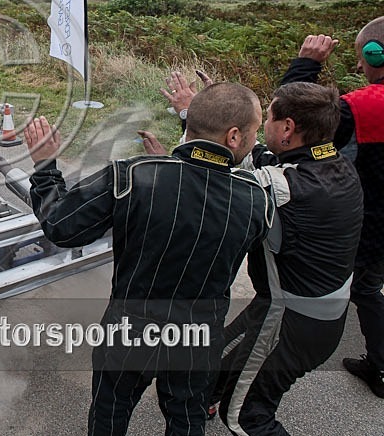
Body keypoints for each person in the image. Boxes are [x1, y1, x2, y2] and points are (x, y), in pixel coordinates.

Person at [25, 83, 272, 436]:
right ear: (234, 137)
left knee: (110, 413)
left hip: (130, 330)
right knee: (187, 421)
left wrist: (44, 165)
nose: (254, 138)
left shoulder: (132, 175)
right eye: (254, 131)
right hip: (199, 335)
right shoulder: (256, 200)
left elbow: (61, 227)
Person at [156, 75, 364, 434]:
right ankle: (205, 398)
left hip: (290, 320)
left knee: (246, 417)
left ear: (287, 128)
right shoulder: (338, 166)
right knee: (222, 358)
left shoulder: (279, 188)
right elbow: (260, 158)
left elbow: (210, 183)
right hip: (314, 311)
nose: (260, 127)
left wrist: (185, 145)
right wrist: (202, 111)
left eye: (266, 119)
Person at [278, 27, 384, 399]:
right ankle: (380, 366)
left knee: (321, 294)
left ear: (375, 55)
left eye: (361, 56)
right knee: (370, 288)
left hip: (363, 224)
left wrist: (307, 63)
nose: (358, 64)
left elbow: (291, 117)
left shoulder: (365, 105)